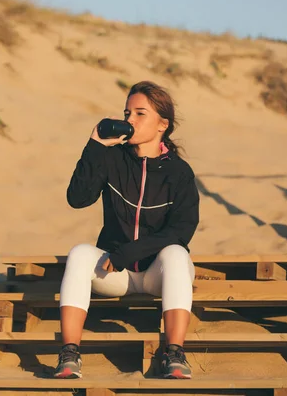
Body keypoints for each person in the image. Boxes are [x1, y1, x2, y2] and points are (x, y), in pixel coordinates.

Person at [54, 81, 200, 380]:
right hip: (116, 274)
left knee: (174, 254)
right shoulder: (112, 158)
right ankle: (69, 353)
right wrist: (94, 146)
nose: (129, 120)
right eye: (127, 112)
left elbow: (181, 230)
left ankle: (175, 354)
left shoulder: (178, 172)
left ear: (162, 125)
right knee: (80, 253)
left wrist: (129, 252)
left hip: (158, 273)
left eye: (139, 113)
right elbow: (78, 199)